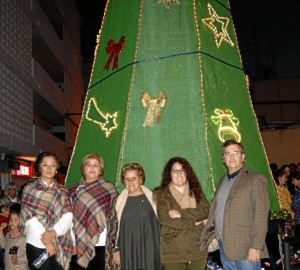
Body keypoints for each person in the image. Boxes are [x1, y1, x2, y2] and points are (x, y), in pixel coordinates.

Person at [200, 139, 270, 270]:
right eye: (227, 153)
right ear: (223, 158)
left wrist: (256, 247)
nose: (231, 157)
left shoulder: (255, 179)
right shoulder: (222, 180)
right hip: (224, 246)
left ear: (243, 157)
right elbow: (220, 209)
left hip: (246, 248)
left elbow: (261, 216)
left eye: (235, 153)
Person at [20, 152, 74, 270]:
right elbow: (29, 217)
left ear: (57, 168)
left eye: (53, 165)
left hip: (60, 242)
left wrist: (53, 233)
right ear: (39, 167)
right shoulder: (30, 189)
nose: (49, 168)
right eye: (45, 165)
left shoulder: (63, 190)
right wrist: (47, 240)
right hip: (36, 243)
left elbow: (68, 215)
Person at [154, 157, 210, 270]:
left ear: (188, 173)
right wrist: (194, 222)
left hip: (197, 248)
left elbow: (206, 210)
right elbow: (165, 219)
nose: (179, 174)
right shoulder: (161, 194)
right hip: (173, 251)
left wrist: (182, 213)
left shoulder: (196, 191)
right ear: (169, 174)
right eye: (175, 171)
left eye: (182, 170)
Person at [106, 163, 162, 270]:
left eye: (134, 178)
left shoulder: (155, 199)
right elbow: (112, 230)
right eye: (127, 179)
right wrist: (116, 250)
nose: (130, 182)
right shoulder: (117, 202)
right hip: (127, 252)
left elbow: (163, 224)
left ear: (141, 179)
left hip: (150, 251)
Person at [69, 153, 118, 269]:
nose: (92, 168)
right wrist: (73, 242)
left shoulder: (109, 189)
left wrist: (115, 246)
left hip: (102, 243)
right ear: (83, 169)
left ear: (100, 170)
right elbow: (70, 219)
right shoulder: (73, 190)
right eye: (88, 165)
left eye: (96, 165)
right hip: (79, 243)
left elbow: (116, 218)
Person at [0, 203, 28, 270]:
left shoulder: (23, 237)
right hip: (8, 267)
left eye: (16, 220)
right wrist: (0, 231)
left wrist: (18, 259)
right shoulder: (8, 235)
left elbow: (28, 256)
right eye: (11, 219)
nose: (12, 222)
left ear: (21, 221)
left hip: (20, 267)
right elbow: (4, 245)